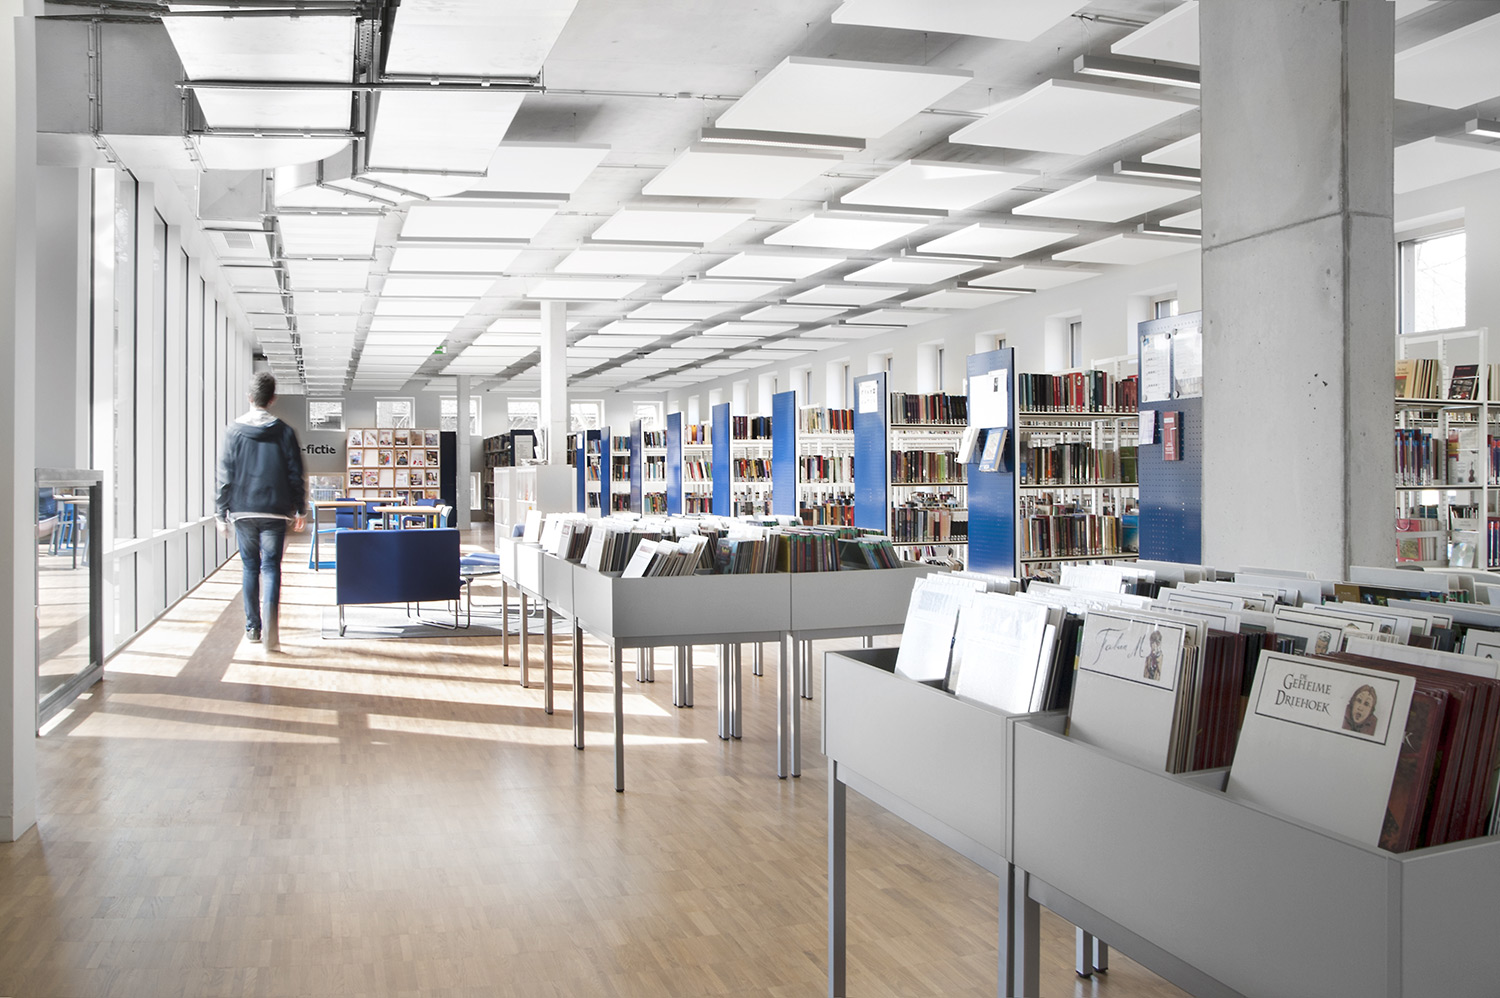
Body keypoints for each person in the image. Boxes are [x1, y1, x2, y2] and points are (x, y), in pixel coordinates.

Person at [216, 373, 306, 650]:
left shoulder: (234, 431)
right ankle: (271, 630)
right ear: (273, 399)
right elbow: (295, 474)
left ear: (250, 397)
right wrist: (300, 509)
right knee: (271, 567)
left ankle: (253, 627)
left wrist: (221, 513)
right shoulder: (285, 431)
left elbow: (225, 475)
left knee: (250, 567)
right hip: (275, 511)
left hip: (243, 510)